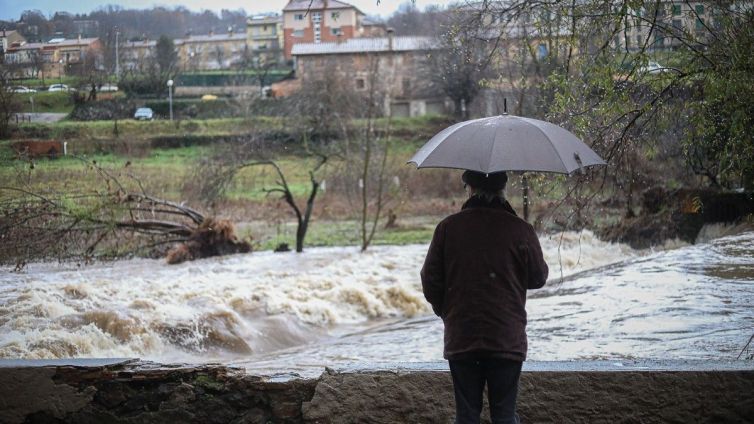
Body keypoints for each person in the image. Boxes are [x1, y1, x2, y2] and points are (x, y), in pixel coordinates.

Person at [421, 170, 549, 424]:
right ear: (503, 190)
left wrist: (447, 312)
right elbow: (538, 277)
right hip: (506, 337)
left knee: (467, 416)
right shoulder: (521, 230)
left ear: (469, 189)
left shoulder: (448, 228)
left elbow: (430, 281)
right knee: (504, 415)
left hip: (462, 336)